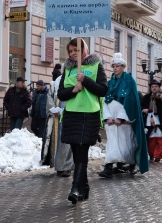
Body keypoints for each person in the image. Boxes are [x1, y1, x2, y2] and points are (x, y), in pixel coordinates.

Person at [57, 38, 108, 204]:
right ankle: (84, 187)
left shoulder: (96, 65)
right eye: (70, 51)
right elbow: (61, 94)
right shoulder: (68, 68)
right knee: (76, 151)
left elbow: (103, 90)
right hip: (71, 114)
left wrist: (85, 81)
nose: (72, 54)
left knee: (82, 152)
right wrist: (74, 89)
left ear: (83, 50)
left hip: (89, 114)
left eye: (76, 50)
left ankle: (76, 187)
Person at [97, 53, 148, 178]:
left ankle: (129, 164)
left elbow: (130, 100)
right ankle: (108, 166)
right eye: (113, 65)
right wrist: (107, 116)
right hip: (111, 118)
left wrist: (121, 117)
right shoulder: (110, 83)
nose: (115, 68)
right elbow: (105, 100)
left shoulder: (129, 81)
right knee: (112, 142)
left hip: (124, 117)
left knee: (126, 143)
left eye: (118, 66)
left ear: (123, 67)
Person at [41, 73, 74, 177]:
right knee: (56, 143)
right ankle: (58, 166)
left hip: (68, 116)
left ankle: (66, 167)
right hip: (55, 118)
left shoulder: (72, 80)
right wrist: (53, 109)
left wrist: (64, 110)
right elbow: (49, 97)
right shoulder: (55, 83)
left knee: (67, 144)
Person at [142, 80, 162, 162]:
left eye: (156, 86)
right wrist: (143, 110)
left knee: (160, 138)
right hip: (149, 119)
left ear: (159, 88)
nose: (154, 88)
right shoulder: (146, 97)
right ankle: (151, 154)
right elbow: (141, 106)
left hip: (159, 119)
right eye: (152, 87)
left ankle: (158, 156)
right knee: (150, 139)